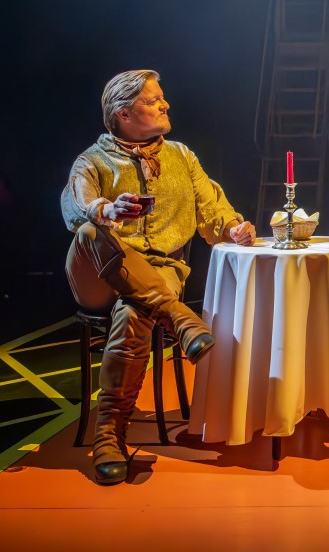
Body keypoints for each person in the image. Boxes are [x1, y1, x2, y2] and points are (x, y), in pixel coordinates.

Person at [61, 69, 256, 484]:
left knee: (134, 313)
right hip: (96, 272)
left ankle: (109, 434)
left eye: (161, 98)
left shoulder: (182, 156)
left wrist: (233, 227)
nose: (165, 104)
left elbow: (213, 209)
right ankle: (180, 319)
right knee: (91, 230)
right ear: (123, 113)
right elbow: (76, 208)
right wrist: (108, 211)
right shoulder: (92, 161)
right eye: (152, 101)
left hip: (159, 272)